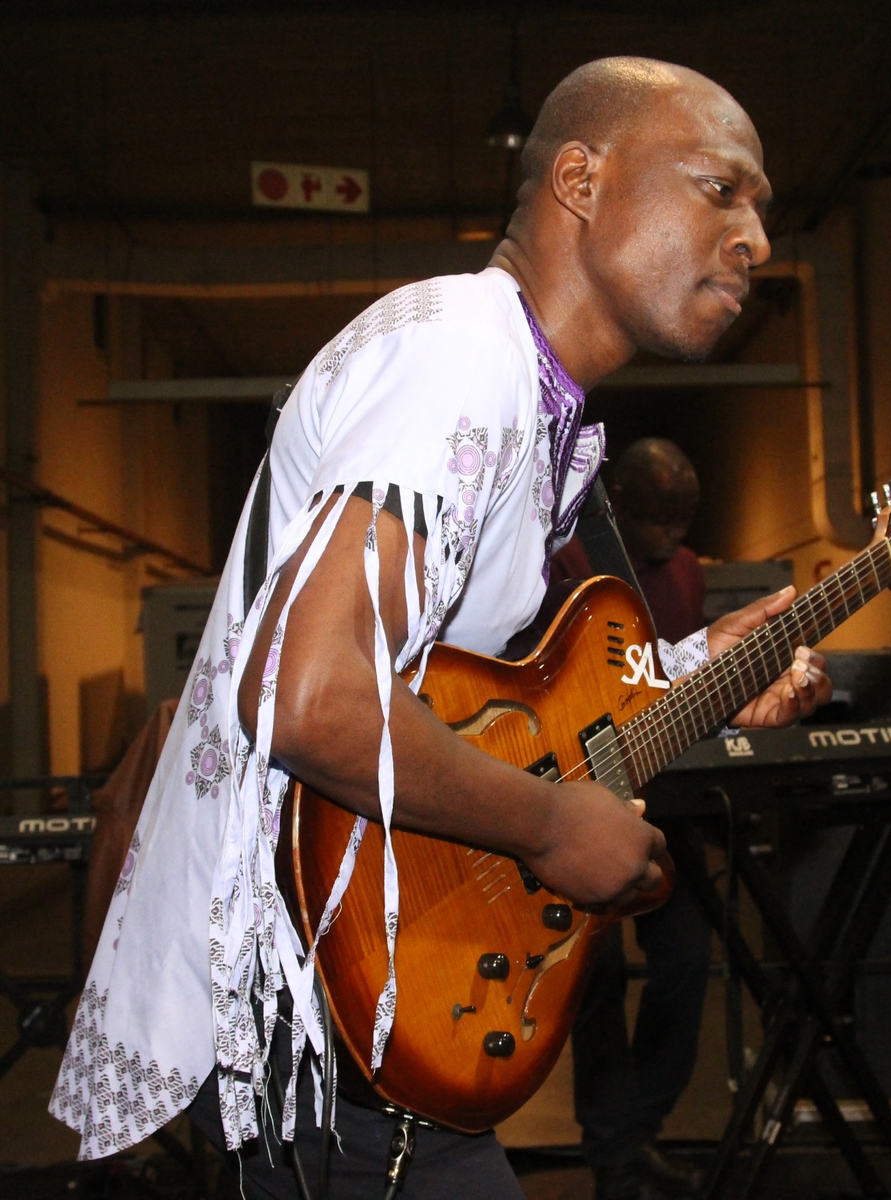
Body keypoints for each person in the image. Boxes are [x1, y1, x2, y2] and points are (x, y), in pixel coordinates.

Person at [50, 57, 831, 1200]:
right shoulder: (462, 355)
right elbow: (308, 694)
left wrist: (698, 672)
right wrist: (551, 829)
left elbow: (477, 703)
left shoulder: (533, 406)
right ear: (580, 180)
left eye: (760, 208)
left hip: (344, 989)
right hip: (309, 1002)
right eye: (722, 189)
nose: (756, 237)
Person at [569, 438, 712, 1200]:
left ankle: (639, 1127)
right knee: (595, 983)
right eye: (656, 519)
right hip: (585, 798)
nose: (669, 536)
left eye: (681, 521)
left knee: (686, 959)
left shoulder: (688, 571)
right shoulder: (573, 559)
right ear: (618, 505)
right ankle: (613, 1151)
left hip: (664, 788)